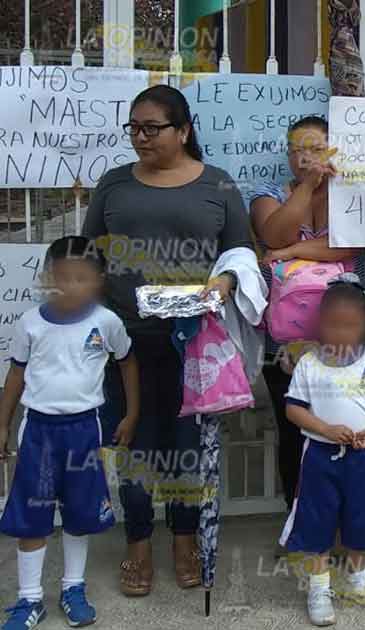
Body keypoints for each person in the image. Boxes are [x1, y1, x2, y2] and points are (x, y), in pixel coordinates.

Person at [82, 84, 255, 597]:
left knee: (187, 450)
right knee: (133, 443)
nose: (140, 137)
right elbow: (90, 256)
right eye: (133, 128)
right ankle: (137, 543)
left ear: (183, 131)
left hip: (194, 343)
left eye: (152, 128)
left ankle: (184, 539)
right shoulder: (113, 186)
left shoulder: (219, 185)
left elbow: (241, 249)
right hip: (126, 342)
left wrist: (223, 283)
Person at [0, 237, 138, 629]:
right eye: (61, 279)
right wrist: (3, 424)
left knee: (79, 513)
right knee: (34, 514)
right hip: (39, 432)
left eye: (82, 279)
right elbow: (15, 375)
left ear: (98, 282)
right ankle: (29, 599)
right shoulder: (29, 323)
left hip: (84, 431)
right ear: (46, 280)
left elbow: (127, 364)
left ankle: (73, 588)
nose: (71, 287)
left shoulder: (106, 322)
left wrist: (131, 414)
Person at [249, 116, 364, 519]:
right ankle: (299, 519)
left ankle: (340, 521)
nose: (305, 157)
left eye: (316, 149)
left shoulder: (351, 194)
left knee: (344, 423)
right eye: (297, 149)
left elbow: (346, 244)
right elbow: (275, 235)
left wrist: (289, 255)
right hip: (284, 341)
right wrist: (307, 188)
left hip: (343, 340)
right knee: (295, 431)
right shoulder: (269, 193)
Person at [278, 275, 365, 626]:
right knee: (317, 521)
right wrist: (326, 429)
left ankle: (358, 581)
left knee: (361, 518)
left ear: (364, 325)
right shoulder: (309, 364)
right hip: (319, 456)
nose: (341, 333)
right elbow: (293, 409)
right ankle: (318, 587)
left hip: (362, 457)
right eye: (333, 325)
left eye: (350, 326)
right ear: (320, 324)